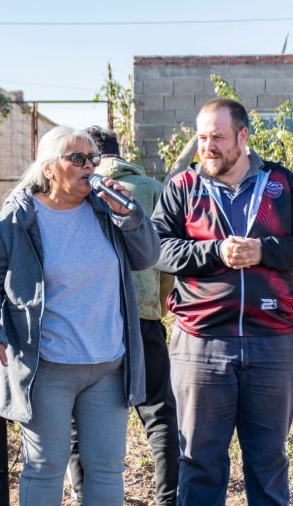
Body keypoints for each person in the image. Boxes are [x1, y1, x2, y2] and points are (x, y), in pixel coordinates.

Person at [151, 98, 293, 506]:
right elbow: (157, 248)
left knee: (268, 463)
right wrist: (216, 252)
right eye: (201, 137)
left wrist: (264, 251)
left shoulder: (281, 184)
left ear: (243, 136)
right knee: (199, 464)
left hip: (274, 342)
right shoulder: (183, 187)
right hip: (201, 343)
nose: (207, 146)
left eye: (217, 137)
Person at [0, 126, 160, 505]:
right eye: (77, 159)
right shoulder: (18, 218)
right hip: (47, 368)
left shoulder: (107, 210)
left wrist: (132, 216)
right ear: (49, 168)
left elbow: (147, 258)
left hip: (108, 364)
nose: (89, 165)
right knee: (45, 468)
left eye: (93, 159)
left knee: (106, 468)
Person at [65, 126, 179, 506]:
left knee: (79, 423)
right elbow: (166, 261)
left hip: (90, 326)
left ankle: (86, 496)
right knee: (160, 414)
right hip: (144, 320)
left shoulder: (74, 191)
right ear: (120, 150)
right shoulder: (151, 187)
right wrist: (157, 306)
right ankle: (169, 498)